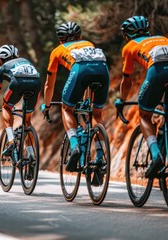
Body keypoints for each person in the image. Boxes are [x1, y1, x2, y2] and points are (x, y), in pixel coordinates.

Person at [115, 16, 168, 179]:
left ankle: (156, 156)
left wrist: (122, 100)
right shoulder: (164, 39)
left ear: (127, 35)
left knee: (145, 116)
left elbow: (127, 80)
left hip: (158, 73)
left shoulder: (129, 47)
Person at [41, 22, 110, 178]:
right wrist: (87, 99)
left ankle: (75, 146)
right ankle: (100, 157)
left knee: (67, 109)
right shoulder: (89, 44)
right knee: (97, 115)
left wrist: (47, 105)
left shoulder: (57, 51)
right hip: (103, 70)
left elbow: (49, 84)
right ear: (80, 37)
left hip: (80, 70)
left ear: (60, 40)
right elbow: (90, 77)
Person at [0, 44, 41, 166]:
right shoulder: (26, 61)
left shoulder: (1, 69)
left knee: (6, 106)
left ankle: (11, 140)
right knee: (27, 122)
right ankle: (31, 156)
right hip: (36, 84)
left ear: (1, 59)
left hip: (18, 83)